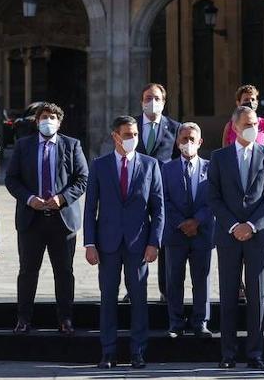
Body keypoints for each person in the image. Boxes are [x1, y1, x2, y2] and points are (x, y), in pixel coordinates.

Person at [84, 116, 165, 370]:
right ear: (115, 137)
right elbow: (90, 208)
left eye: (135, 135)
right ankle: (108, 352)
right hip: (107, 243)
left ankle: (137, 352)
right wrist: (89, 243)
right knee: (108, 298)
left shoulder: (150, 165)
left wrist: (154, 242)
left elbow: (158, 207)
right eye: (127, 135)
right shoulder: (100, 165)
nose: (132, 139)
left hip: (138, 243)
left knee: (139, 299)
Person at [4, 100, 88, 334]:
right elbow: (11, 179)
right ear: (37, 122)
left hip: (62, 219)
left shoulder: (72, 145)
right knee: (28, 271)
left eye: (52, 118)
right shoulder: (24, 146)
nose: (47, 122)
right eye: (43, 118)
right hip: (32, 219)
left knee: (64, 272)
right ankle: (23, 318)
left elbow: (82, 178)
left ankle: (65, 319)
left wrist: (62, 198)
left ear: (59, 123)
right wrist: (29, 199)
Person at [208, 105, 264, 371]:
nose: (253, 128)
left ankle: (255, 353)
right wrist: (233, 225)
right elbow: (213, 196)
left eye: (256, 125)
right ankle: (228, 353)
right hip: (228, 236)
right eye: (248, 124)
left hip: (257, 235)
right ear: (235, 126)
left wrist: (250, 224)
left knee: (256, 296)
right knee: (228, 295)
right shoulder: (219, 157)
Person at [162, 122, 214, 339]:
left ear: (200, 142)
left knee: (201, 278)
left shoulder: (211, 167)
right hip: (176, 233)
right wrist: (182, 222)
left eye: (192, 139)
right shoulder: (166, 168)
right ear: (177, 142)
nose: (188, 143)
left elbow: (215, 199)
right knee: (174, 278)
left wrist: (197, 221)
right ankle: (175, 322)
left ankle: (200, 321)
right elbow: (163, 199)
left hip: (202, 232)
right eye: (184, 139)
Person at [137, 82, 180, 301]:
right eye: (147, 98)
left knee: (163, 242)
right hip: (136, 194)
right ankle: (135, 288)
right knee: (136, 241)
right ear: (141, 101)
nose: (151, 102)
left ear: (163, 102)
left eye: (156, 98)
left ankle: (166, 290)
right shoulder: (131, 126)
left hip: (164, 193)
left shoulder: (175, 127)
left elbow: (177, 160)